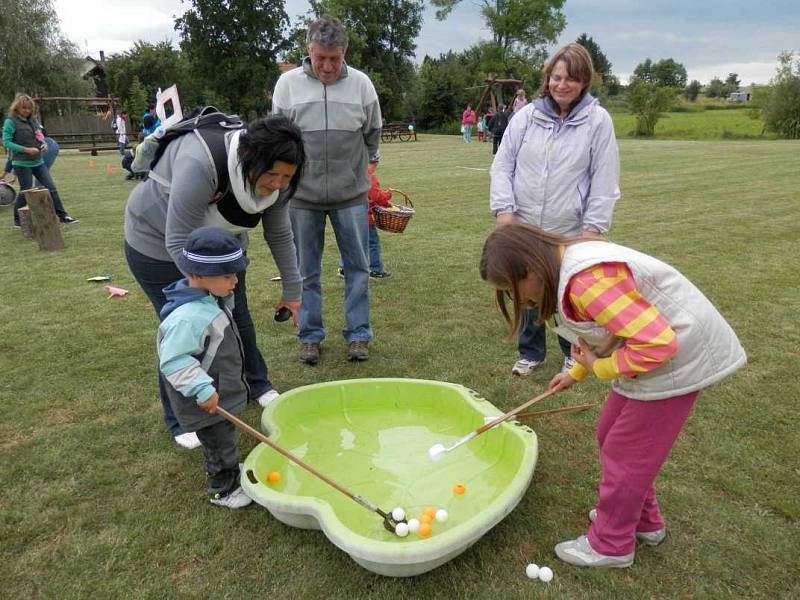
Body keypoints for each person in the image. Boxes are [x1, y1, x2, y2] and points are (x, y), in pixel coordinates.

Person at [480, 223, 746, 568]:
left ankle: (611, 544)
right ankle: (643, 521)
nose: (518, 301)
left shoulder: (586, 283)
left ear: (528, 268)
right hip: (651, 360)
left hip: (675, 360)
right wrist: (576, 372)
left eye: (512, 290)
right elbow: (607, 331)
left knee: (626, 452)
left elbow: (658, 344)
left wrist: (596, 366)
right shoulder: (563, 272)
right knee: (609, 433)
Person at [124, 114, 305, 449]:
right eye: (271, 174)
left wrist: (292, 291)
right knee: (185, 333)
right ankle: (180, 420)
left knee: (238, 319)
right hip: (156, 244)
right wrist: (210, 294)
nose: (278, 183)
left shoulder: (281, 182)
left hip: (221, 249)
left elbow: (279, 233)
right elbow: (177, 241)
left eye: (287, 176)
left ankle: (257, 384)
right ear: (251, 160)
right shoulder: (200, 163)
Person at [490, 43, 620, 376]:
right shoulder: (526, 117)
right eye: (556, 78)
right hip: (525, 227)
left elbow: (604, 179)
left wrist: (592, 230)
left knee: (568, 297)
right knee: (527, 289)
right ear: (547, 78)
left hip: (570, 231)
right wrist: (505, 213)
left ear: (584, 82)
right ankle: (531, 352)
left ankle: (572, 351)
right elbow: (502, 165)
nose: (562, 85)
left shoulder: (598, 121)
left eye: (571, 79)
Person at [272, 15, 382, 365]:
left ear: (344, 52)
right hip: (301, 198)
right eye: (321, 58)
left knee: (358, 267)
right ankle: (309, 335)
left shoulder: (362, 84)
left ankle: (358, 335)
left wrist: (367, 164)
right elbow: (277, 137)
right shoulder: (287, 85)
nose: (327, 66)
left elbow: (373, 131)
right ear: (309, 51)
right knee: (306, 271)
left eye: (334, 58)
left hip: (351, 195)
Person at [158, 227, 254, 509]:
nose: (235, 280)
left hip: (217, 388)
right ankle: (222, 489)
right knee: (218, 443)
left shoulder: (207, 299)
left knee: (225, 438)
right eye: (227, 276)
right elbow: (174, 360)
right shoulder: (188, 318)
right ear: (198, 277)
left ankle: (231, 465)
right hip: (203, 398)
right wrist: (201, 388)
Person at [2, 94, 78, 227]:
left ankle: (63, 215)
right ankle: (18, 220)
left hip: (37, 161)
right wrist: (26, 149)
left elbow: (39, 135)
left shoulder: (33, 120)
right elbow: (7, 142)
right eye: (24, 108)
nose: (27, 111)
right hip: (21, 163)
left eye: (29, 108)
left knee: (51, 188)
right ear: (17, 107)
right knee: (26, 191)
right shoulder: (10, 121)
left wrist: (43, 143)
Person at [337, 159, 393, 280]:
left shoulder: (350, 174)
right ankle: (376, 269)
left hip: (348, 215)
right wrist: (388, 195)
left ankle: (344, 268)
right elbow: (375, 196)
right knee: (372, 243)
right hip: (365, 218)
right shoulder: (369, 177)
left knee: (350, 241)